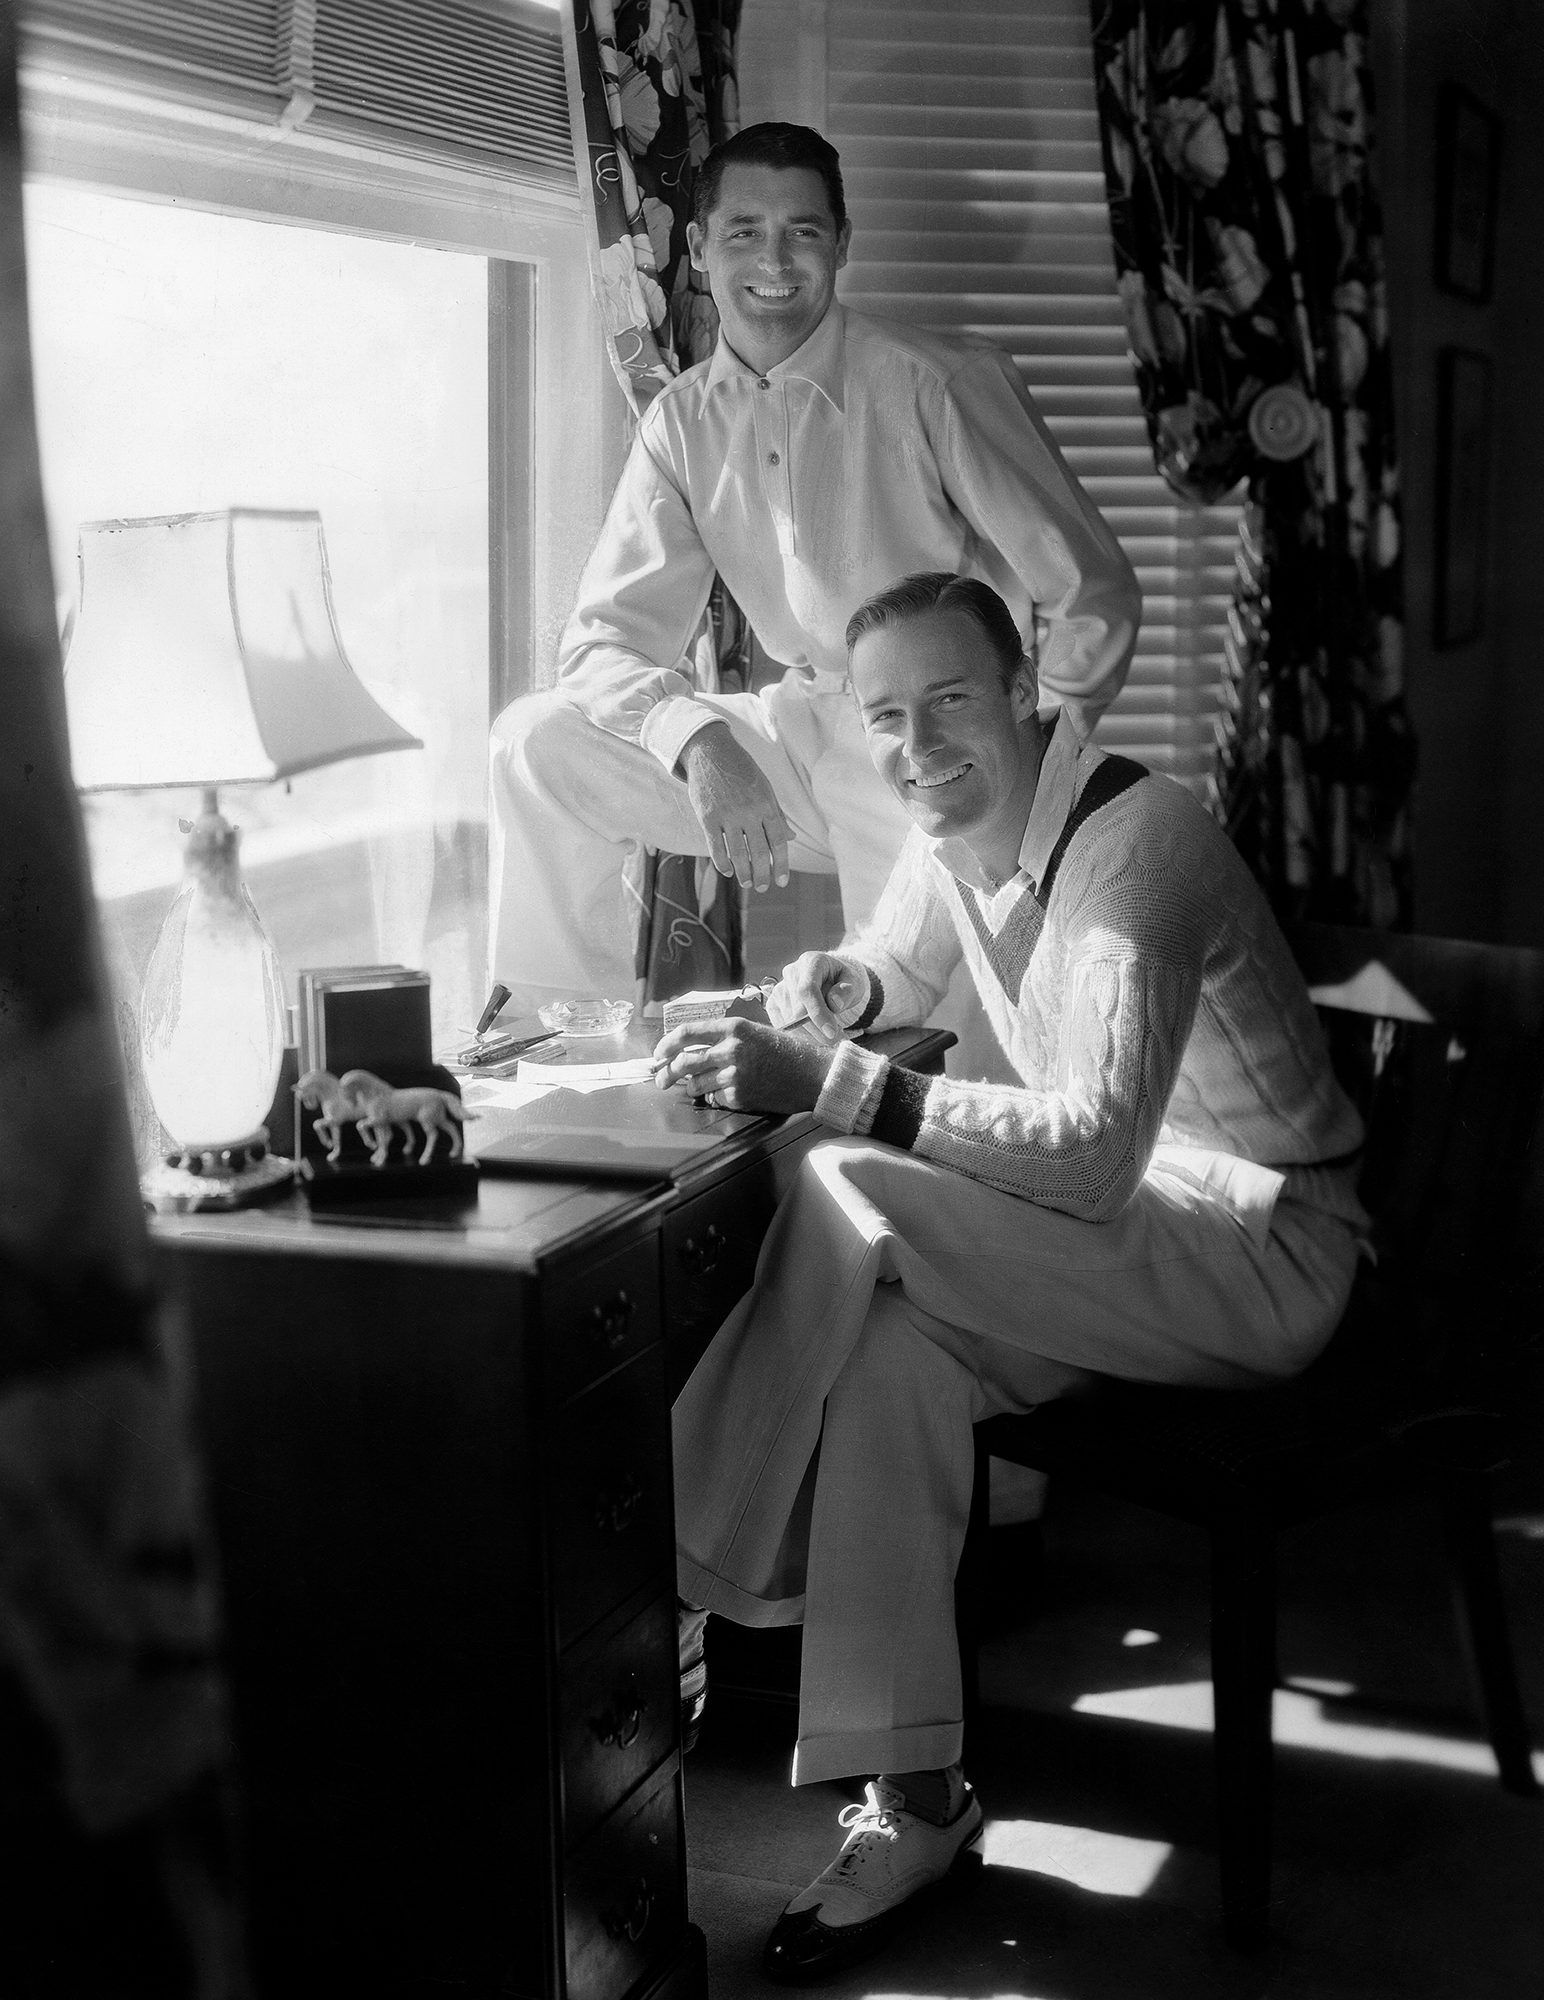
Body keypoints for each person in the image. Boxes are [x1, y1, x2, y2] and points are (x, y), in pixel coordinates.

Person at [651, 572, 1368, 1982]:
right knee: (889, 1360)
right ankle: (913, 1800)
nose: (918, 746)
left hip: (1268, 1252)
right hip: (1136, 1248)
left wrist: (831, 1082)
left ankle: (679, 1565)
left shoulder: (1135, 844)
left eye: (953, 700)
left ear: (1028, 685)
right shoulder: (959, 833)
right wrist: (807, 1006)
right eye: (887, 718)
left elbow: (1094, 1157)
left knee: (845, 1177)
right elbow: (890, 968)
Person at [487, 122, 1141, 1029]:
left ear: (842, 244)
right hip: (797, 735)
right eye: (745, 231)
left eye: (804, 231)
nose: (775, 261)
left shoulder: (938, 384)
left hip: (939, 748)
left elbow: (1092, 594)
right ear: (700, 246)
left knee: (919, 1050)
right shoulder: (680, 422)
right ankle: (565, 1044)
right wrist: (698, 741)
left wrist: (1033, 766)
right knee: (538, 743)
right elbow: (601, 644)